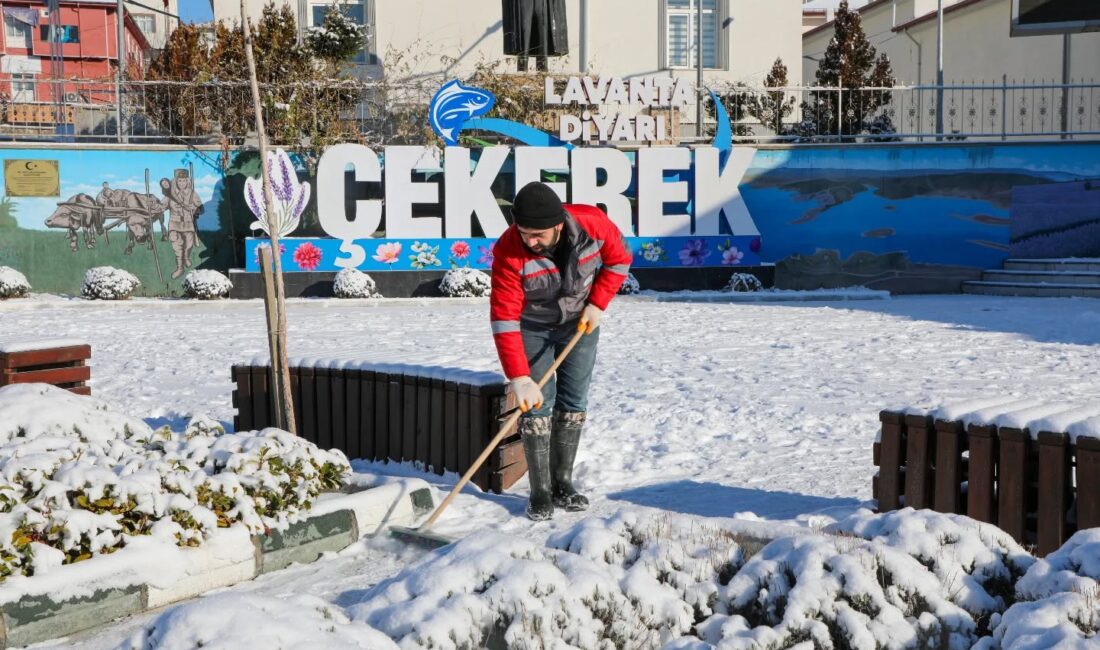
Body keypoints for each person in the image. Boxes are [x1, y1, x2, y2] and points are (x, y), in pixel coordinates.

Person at [489, 181, 631, 521]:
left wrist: (598, 304)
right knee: (538, 402)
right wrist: (520, 377)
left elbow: (619, 260)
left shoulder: (593, 225)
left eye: (537, 235)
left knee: (574, 400)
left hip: (580, 323)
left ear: (557, 225)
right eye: (524, 233)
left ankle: (562, 482)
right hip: (532, 327)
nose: (530, 241)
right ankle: (540, 491)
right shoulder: (509, 250)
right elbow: (504, 317)